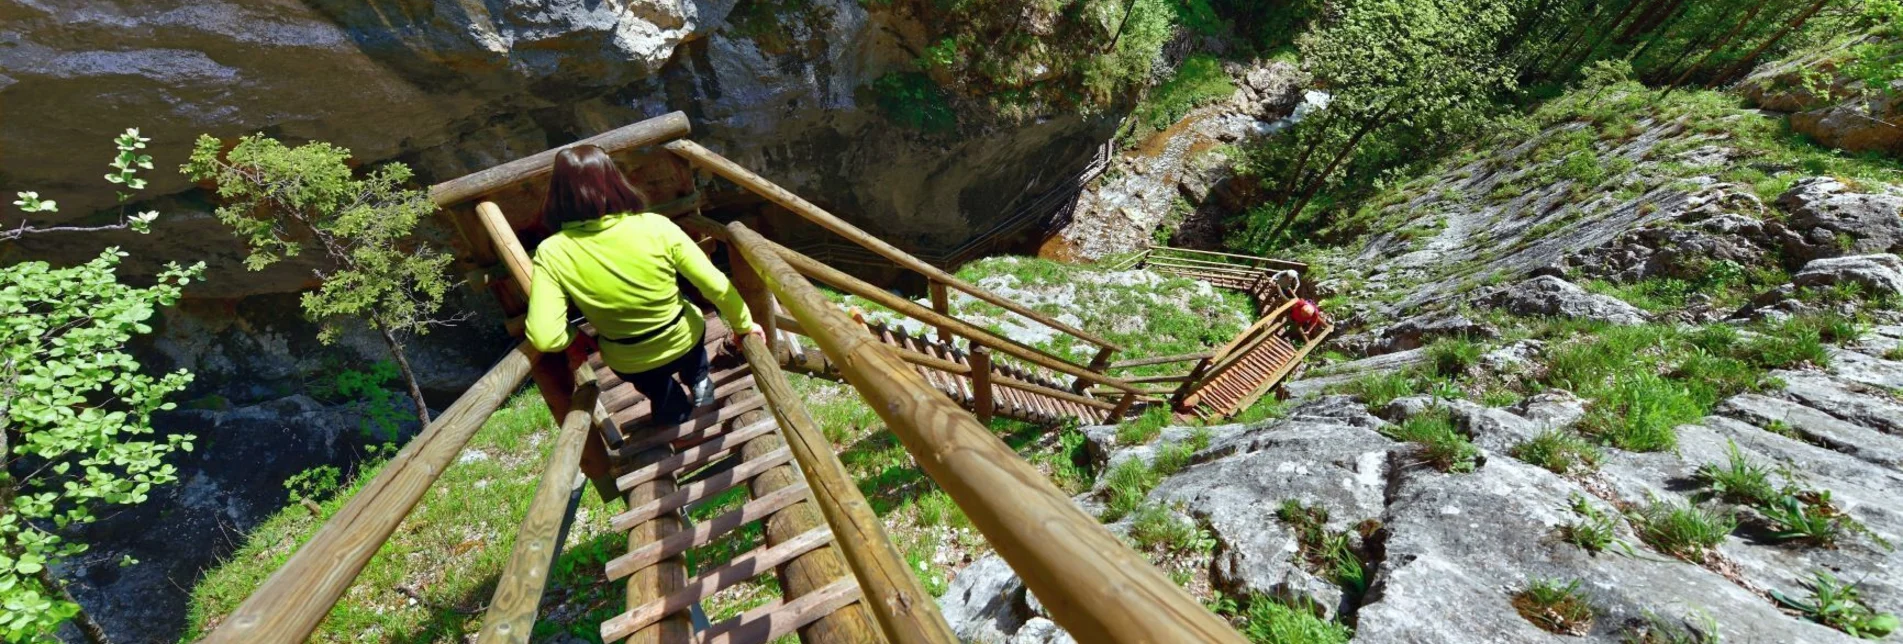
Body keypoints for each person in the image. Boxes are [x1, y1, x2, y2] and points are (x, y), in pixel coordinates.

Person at [525, 144, 763, 426]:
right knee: (693, 346)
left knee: (657, 388)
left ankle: (672, 411)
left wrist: (573, 336)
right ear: (614, 181)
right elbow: (715, 285)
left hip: (628, 359)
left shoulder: (552, 252)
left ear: (558, 195)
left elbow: (545, 336)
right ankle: (700, 383)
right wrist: (743, 325)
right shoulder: (655, 226)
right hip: (683, 339)